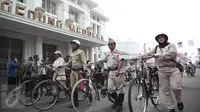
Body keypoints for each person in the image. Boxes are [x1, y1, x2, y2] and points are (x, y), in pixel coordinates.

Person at [143, 33, 184, 112]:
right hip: (161, 71)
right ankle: (171, 107)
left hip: (173, 69)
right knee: (165, 90)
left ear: (165, 38)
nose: (161, 38)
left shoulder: (171, 46)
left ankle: (179, 100)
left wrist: (157, 55)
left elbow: (171, 54)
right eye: (159, 37)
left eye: (162, 37)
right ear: (157, 39)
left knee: (176, 88)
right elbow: (148, 54)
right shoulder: (156, 48)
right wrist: (141, 56)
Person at [61, 39, 86, 108]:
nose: (72, 46)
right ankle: (75, 102)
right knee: (73, 87)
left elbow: (84, 62)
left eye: (73, 44)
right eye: (71, 44)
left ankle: (88, 93)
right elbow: (69, 63)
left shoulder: (81, 52)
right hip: (73, 72)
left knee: (79, 87)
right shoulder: (72, 54)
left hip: (79, 71)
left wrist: (85, 70)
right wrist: (61, 66)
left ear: (77, 45)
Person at [101, 38, 125, 112]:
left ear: (114, 44)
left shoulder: (119, 52)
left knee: (119, 89)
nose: (110, 46)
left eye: (111, 44)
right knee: (110, 89)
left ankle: (120, 105)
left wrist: (118, 70)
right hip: (111, 72)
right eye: (108, 44)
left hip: (118, 72)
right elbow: (103, 60)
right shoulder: (108, 54)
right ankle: (117, 102)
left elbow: (121, 61)